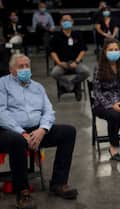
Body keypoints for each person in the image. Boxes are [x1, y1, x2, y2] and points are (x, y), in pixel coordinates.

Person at [0, 54, 78, 209]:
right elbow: (1, 112)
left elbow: (48, 111)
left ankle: (58, 183)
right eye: (20, 66)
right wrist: (21, 132)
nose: (24, 69)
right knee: (18, 141)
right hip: (9, 131)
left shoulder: (37, 87)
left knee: (68, 132)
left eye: (27, 66)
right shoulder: (2, 84)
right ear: (11, 69)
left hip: (36, 130)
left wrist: (42, 130)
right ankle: (22, 192)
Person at [93, 39, 120, 161]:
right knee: (115, 116)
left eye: (116, 49)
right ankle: (113, 146)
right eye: (110, 50)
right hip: (103, 103)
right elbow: (97, 91)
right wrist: (111, 105)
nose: (114, 52)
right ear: (105, 52)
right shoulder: (99, 67)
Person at [49, 15, 90, 101]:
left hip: (76, 62)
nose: (66, 22)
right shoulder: (56, 36)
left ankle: (72, 84)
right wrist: (59, 63)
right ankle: (72, 86)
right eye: (64, 20)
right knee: (54, 73)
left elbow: (83, 50)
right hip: (62, 63)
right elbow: (52, 52)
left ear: (72, 22)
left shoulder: (77, 35)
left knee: (86, 72)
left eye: (68, 20)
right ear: (61, 23)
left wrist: (76, 61)